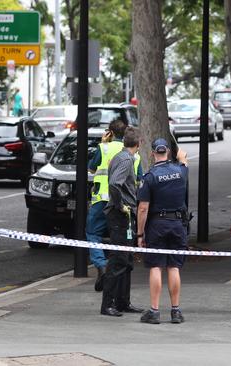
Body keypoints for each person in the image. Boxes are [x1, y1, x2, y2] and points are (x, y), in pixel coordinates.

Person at [137, 138, 189, 324]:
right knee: (174, 266)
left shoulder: (150, 177)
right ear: (167, 151)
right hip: (177, 225)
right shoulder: (181, 172)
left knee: (156, 266)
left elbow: (143, 208)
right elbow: (184, 163)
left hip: (157, 225)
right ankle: (175, 311)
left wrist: (140, 234)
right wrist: (181, 158)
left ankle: (154, 311)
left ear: (153, 153)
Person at [87, 119, 141, 292]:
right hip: (122, 205)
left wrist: (103, 143)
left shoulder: (103, 148)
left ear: (110, 132)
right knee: (120, 240)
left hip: (101, 201)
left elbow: (92, 169)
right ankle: (118, 285)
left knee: (92, 233)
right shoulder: (135, 155)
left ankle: (102, 265)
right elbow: (138, 179)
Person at [100, 126, 144, 317]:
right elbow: (114, 185)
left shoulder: (120, 156)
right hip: (120, 216)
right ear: (139, 144)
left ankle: (122, 302)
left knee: (126, 261)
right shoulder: (126, 160)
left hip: (124, 216)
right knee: (118, 260)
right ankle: (108, 304)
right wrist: (121, 206)